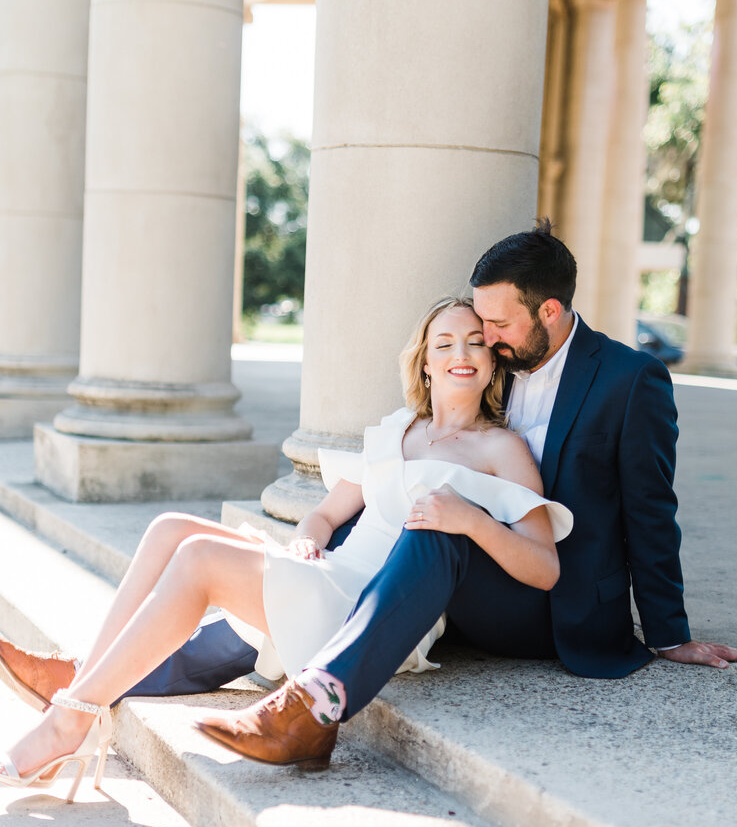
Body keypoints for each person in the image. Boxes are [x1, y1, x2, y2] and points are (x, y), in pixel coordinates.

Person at [0, 299, 571, 795]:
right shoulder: (398, 429)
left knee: (198, 559)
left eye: (476, 341)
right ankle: (83, 690)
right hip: (330, 573)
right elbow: (324, 515)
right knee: (170, 527)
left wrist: (471, 520)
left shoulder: (502, 449)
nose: (461, 353)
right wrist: (306, 543)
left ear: (494, 358)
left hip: (371, 611)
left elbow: (544, 568)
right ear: (424, 363)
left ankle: (72, 719)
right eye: (444, 342)